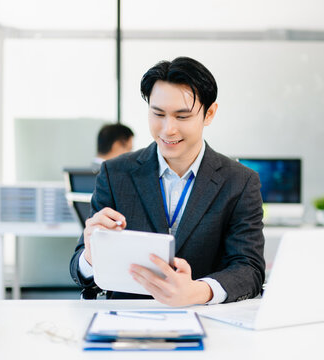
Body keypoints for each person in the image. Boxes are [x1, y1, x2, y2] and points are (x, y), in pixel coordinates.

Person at [70, 56, 265, 306]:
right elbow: (79, 271)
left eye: (182, 117)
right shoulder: (116, 173)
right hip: (126, 318)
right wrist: (90, 255)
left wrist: (197, 291)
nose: (167, 129)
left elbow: (249, 268)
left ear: (209, 113)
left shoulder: (240, 181)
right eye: (158, 114)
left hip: (204, 317)